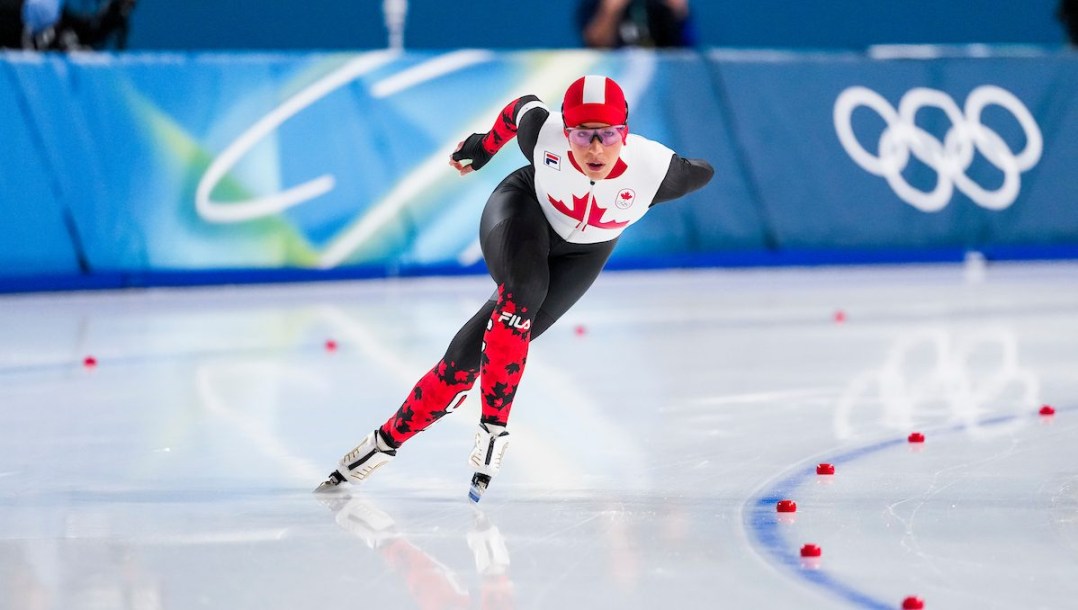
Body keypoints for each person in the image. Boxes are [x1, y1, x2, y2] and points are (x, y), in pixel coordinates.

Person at [315, 75, 714, 501]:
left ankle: (381, 444)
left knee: (468, 358)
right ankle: (494, 429)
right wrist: (484, 148)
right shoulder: (544, 134)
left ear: (625, 132)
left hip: (584, 255)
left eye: (608, 135)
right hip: (522, 211)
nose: (595, 149)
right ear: (566, 131)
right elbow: (520, 107)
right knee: (524, 291)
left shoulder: (658, 171)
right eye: (581, 135)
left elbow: (705, 172)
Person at [577, 0, 698, 49]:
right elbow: (595, 43)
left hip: (662, 74)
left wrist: (678, 11)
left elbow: (686, 45)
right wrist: (611, 11)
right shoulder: (596, 3)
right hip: (614, 72)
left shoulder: (665, 6)